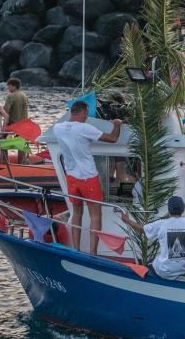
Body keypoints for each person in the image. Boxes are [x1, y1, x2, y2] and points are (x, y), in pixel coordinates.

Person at [53, 101, 122, 254]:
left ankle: (76, 249)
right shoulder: (85, 128)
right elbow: (112, 139)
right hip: (88, 177)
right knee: (96, 215)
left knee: (77, 213)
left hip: (71, 177)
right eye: (87, 113)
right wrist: (117, 124)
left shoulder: (58, 128)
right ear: (83, 112)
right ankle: (93, 253)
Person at [121, 196, 185, 280]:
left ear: (169, 210)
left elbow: (141, 229)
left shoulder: (161, 224)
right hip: (184, 269)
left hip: (164, 271)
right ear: (183, 209)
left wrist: (127, 220)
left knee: (151, 263)